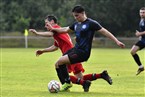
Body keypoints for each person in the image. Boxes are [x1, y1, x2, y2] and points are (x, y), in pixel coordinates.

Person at [46, 5, 125, 92]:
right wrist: (53, 29)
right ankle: (97, 77)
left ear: (83, 13)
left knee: (60, 62)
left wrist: (117, 41)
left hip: (83, 52)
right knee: (59, 65)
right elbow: (64, 29)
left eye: (77, 15)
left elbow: (105, 31)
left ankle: (67, 83)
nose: (75, 18)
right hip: (75, 49)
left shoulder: (91, 23)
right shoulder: (76, 24)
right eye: (74, 16)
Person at [29, 15, 112, 92]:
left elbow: (50, 34)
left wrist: (37, 33)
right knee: (80, 77)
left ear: (52, 22)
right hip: (75, 54)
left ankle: (68, 85)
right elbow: (55, 46)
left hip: (70, 55)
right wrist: (43, 51)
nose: (45, 26)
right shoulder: (58, 32)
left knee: (60, 70)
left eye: (46, 23)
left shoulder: (56, 29)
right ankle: (101, 75)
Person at [130, 7, 145, 75]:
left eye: (143, 12)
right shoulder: (141, 20)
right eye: (141, 12)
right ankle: (141, 67)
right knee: (132, 51)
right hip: (143, 40)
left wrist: (140, 34)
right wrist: (140, 36)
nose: (142, 14)